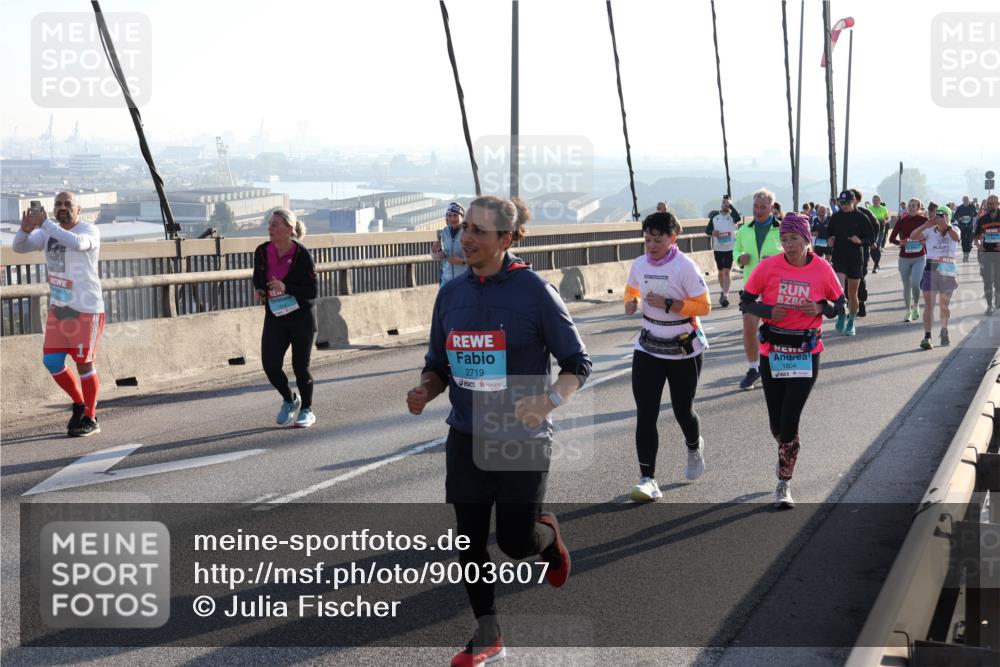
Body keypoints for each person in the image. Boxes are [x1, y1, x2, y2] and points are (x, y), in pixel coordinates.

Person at [406, 195, 591, 667]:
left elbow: (577, 364)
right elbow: (438, 365)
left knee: (514, 543)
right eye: (464, 228)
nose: (465, 238)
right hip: (466, 435)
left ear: (505, 240)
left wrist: (548, 401)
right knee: (467, 538)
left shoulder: (534, 292)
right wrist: (426, 389)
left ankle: (547, 536)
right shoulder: (450, 295)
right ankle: (487, 632)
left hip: (520, 439)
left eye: (478, 232)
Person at [740, 213, 845, 507]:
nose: (788, 245)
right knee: (777, 422)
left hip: (805, 353)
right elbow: (746, 301)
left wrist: (821, 306)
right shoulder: (768, 267)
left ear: (807, 240)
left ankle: (784, 482)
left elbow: (841, 304)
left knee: (789, 419)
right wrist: (767, 311)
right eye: (784, 240)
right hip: (772, 352)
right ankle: (789, 449)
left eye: (794, 239)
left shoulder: (822, 269)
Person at [624, 211, 711, 502]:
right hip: (648, 346)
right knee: (645, 413)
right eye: (647, 239)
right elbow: (631, 289)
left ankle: (693, 445)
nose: (651, 245)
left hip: (683, 347)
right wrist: (631, 301)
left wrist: (670, 303)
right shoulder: (639, 264)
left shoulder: (684, 267)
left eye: (657, 240)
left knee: (682, 410)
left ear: (672, 238)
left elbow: (705, 306)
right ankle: (648, 479)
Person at [12, 192, 105, 436]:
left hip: (86, 308)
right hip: (60, 307)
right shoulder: (47, 233)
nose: (62, 208)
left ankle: (91, 417)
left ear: (78, 209)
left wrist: (45, 224)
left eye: (67, 204)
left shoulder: (89, 231)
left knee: (84, 363)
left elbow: (78, 244)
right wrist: (24, 229)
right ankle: (79, 403)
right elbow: (19, 247)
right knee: (51, 361)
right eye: (58, 204)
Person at [253, 208, 319, 428]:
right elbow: (258, 279)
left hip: (301, 318)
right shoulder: (262, 251)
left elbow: (312, 290)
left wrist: (286, 287)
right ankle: (290, 399)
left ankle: (307, 409)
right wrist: (261, 290)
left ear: (289, 229)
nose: (270, 228)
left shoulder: (301, 254)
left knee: (300, 366)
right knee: (270, 365)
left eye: (275, 224)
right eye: (270, 224)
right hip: (276, 316)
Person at [733, 189, 782, 390]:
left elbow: (793, 253)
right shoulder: (744, 230)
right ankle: (754, 369)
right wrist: (739, 258)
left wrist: (776, 261)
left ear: (772, 208)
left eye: (763, 207)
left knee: (777, 331)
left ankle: (777, 366)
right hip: (751, 287)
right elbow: (737, 250)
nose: (758, 210)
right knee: (748, 329)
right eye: (755, 206)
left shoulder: (782, 229)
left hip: (775, 288)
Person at [826, 190, 873, 336]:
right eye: (841, 203)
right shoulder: (836, 216)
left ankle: (851, 322)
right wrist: (830, 239)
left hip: (855, 259)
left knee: (853, 293)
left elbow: (870, 238)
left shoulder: (862, 218)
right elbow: (829, 232)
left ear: (853, 201)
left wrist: (861, 241)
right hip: (839, 257)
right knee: (839, 290)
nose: (844, 206)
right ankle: (841, 314)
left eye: (846, 203)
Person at [912, 210, 961, 349]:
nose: (939, 219)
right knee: (929, 305)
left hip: (947, 268)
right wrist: (925, 225)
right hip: (930, 269)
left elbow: (956, 238)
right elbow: (913, 236)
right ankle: (927, 337)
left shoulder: (954, 229)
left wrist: (946, 225)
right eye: (937, 216)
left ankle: (944, 330)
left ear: (948, 217)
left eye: (942, 216)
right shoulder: (929, 231)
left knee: (944, 305)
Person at [888, 199, 929, 322]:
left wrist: (924, 241)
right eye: (909, 206)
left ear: (919, 208)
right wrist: (900, 242)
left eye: (913, 206)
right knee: (906, 285)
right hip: (904, 258)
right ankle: (908, 312)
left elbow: (931, 237)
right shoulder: (901, 221)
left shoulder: (924, 221)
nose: (911, 208)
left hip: (919, 257)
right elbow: (891, 238)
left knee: (915, 284)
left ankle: (916, 305)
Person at [705, 194, 742, 307]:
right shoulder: (715, 217)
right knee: (721, 272)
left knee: (726, 271)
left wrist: (731, 205)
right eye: (723, 203)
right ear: (721, 205)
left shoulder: (733, 217)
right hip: (718, 248)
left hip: (730, 247)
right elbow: (707, 230)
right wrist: (713, 232)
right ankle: (723, 290)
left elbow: (739, 218)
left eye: (727, 204)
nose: (725, 206)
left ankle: (725, 295)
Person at [849, 188, 880, 316]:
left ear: (857, 200)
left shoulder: (864, 213)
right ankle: (851, 304)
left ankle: (861, 303)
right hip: (844, 252)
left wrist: (872, 241)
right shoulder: (842, 214)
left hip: (862, 250)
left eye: (851, 198)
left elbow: (876, 226)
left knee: (860, 277)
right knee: (846, 280)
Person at [431, 202, 468, 286]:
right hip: (446, 281)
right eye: (449, 215)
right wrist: (435, 253)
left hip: (463, 281)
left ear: (462, 217)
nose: (452, 218)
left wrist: (461, 261)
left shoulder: (468, 233)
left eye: (455, 215)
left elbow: (477, 259)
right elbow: (434, 256)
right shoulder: (445, 232)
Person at [975, 194, 1000, 315]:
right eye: (988, 204)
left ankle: (998, 300)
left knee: (998, 280)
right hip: (986, 254)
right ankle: (989, 305)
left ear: (998, 204)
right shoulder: (982, 219)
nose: (989, 206)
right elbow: (977, 237)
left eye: (992, 204)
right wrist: (979, 245)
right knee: (987, 281)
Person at [869, 194, 891, 271]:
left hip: (881, 229)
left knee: (877, 246)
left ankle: (875, 266)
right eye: (874, 200)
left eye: (877, 200)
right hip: (872, 230)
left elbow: (888, 218)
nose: (875, 201)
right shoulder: (869, 208)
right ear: (872, 201)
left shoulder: (884, 209)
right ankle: (876, 264)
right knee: (872, 248)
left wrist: (885, 221)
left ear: (880, 201)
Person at [954, 195, 979, 262]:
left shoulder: (972, 206)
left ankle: (967, 253)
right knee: (963, 240)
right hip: (961, 226)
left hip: (970, 225)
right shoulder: (960, 207)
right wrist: (959, 218)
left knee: (968, 240)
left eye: (967, 200)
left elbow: (976, 214)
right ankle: (965, 253)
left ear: (968, 200)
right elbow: (955, 216)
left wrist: (974, 217)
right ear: (963, 201)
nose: (966, 201)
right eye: (964, 200)